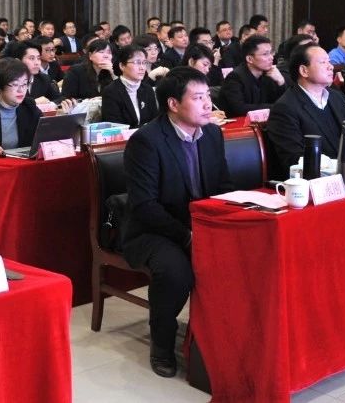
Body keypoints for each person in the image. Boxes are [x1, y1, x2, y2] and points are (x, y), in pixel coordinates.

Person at [120, 67, 233, 378]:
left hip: (199, 223)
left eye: (208, 96)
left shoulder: (212, 134)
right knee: (176, 272)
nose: (208, 104)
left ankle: (219, 339)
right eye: (198, 98)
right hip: (153, 229)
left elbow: (222, 185)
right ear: (173, 103)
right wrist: (188, 236)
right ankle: (162, 344)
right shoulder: (147, 141)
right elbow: (145, 206)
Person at [265, 45, 345, 180]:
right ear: (304, 71)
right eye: (323, 62)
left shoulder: (337, 97)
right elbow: (295, 160)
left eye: (329, 62)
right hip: (313, 183)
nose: (331, 67)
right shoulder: (285, 108)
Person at [218, 35, 286, 117]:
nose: (271, 57)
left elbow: (282, 102)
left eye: (271, 53)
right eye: (265, 54)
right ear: (250, 59)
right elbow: (240, 108)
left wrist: (281, 82)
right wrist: (275, 107)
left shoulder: (269, 74)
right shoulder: (234, 78)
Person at [101, 44, 158, 128]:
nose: (142, 68)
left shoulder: (147, 89)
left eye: (144, 63)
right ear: (122, 66)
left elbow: (155, 121)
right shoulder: (111, 91)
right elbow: (114, 126)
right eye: (137, 63)